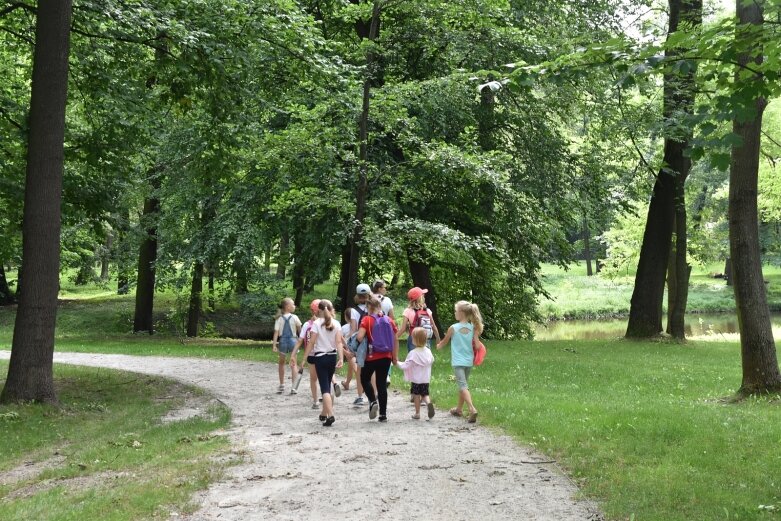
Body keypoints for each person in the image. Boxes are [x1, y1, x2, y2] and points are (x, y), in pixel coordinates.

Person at [436, 300, 483, 424]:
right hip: (468, 361)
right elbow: (478, 346)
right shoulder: (473, 328)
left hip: (458, 362)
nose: (455, 313)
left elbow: (444, 342)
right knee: (464, 386)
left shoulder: (454, 328)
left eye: (456, 311)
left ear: (461, 313)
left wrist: (439, 346)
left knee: (463, 386)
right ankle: (459, 409)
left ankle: (472, 409)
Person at [302, 299, 344, 426]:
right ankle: (324, 413)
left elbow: (312, 342)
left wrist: (304, 359)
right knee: (329, 385)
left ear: (319, 310)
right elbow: (339, 343)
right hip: (332, 357)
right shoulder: (336, 323)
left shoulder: (316, 323)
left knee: (325, 388)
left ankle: (330, 415)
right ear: (331, 310)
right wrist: (341, 358)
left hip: (320, 358)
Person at [356, 297, 398, 422]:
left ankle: (373, 401)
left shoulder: (367, 320)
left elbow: (359, 337)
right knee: (381, 384)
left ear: (369, 307)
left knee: (364, 378)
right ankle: (383, 414)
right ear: (380, 306)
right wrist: (394, 356)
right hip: (386, 356)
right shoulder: (389, 320)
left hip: (371, 355)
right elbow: (395, 339)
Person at [397, 287, 440, 400]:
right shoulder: (427, 311)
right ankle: (424, 394)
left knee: (412, 365)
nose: (424, 296)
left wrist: (394, 338)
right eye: (423, 295)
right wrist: (439, 340)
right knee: (424, 364)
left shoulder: (408, 311)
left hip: (413, 339)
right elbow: (434, 327)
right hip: (426, 339)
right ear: (420, 298)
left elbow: (402, 329)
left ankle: (414, 394)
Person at [395, 327, 435, 420]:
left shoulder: (413, 353)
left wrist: (397, 362)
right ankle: (428, 403)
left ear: (415, 340)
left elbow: (406, 365)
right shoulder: (428, 351)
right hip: (425, 379)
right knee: (425, 394)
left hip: (416, 380)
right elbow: (432, 360)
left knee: (416, 395)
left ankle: (417, 413)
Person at [343, 283, 372, 405]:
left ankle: (360, 396)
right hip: (373, 341)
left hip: (361, 342)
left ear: (357, 296)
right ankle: (373, 396)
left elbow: (354, 329)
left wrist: (350, 346)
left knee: (360, 370)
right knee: (373, 370)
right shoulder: (374, 308)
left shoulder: (354, 311)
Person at [290, 299, 321, 406]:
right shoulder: (327, 323)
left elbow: (300, 341)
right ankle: (328, 395)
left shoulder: (307, 324)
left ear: (312, 311)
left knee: (313, 379)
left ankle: (315, 401)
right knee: (326, 377)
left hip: (311, 355)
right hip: (324, 354)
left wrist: (293, 354)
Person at [272, 297, 302, 394]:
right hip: (293, 341)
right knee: (294, 364)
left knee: (281, 363)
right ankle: (294, 387)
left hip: (283, 342)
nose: (294, 306)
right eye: (293, 304)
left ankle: (281, 385)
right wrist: (301, 341)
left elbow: (276, 333)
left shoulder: (279, 318)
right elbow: (300, 331)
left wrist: (274, 345)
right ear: (288, 307)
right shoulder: (295, 317)